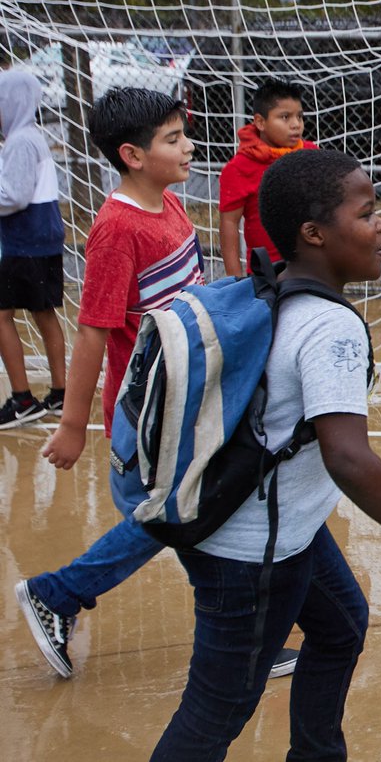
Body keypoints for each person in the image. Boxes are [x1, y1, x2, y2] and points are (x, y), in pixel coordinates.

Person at [150, 148, 381, 760]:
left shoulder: (267, 288)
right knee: (213, 714)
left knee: (340, 625)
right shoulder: (330, 329)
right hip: (253, 553)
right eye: (367, 212)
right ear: (314, 233)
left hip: (274, 527)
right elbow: (348, 457)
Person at [14, 88, 296, 680]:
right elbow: (93, 333)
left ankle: (239, 638)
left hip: (186, 398)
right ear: (132, 155)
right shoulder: (117, 228)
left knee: (193, 518)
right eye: (173, 139)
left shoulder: (169, 205)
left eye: (183, 134)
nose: (189, 146)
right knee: (172, 519)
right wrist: (71, 426)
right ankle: (57, 594)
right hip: (147, 413)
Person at [0, 69, 67, 428]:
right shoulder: (27, 138)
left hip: (26, 241)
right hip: (39, 239)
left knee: (2, 317)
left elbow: (15, 195)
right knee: (43, 313)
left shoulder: (21, 141)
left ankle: (22, 399)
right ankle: (60, 394)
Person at [218, 78, 316, 277]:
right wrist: (235, 282)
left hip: (313, 267)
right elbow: (229, 223)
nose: (296, 124)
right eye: (285, 117)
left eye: (300, 116)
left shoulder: (311, 154)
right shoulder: (239, 168)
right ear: (260, 122)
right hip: (267, 273)